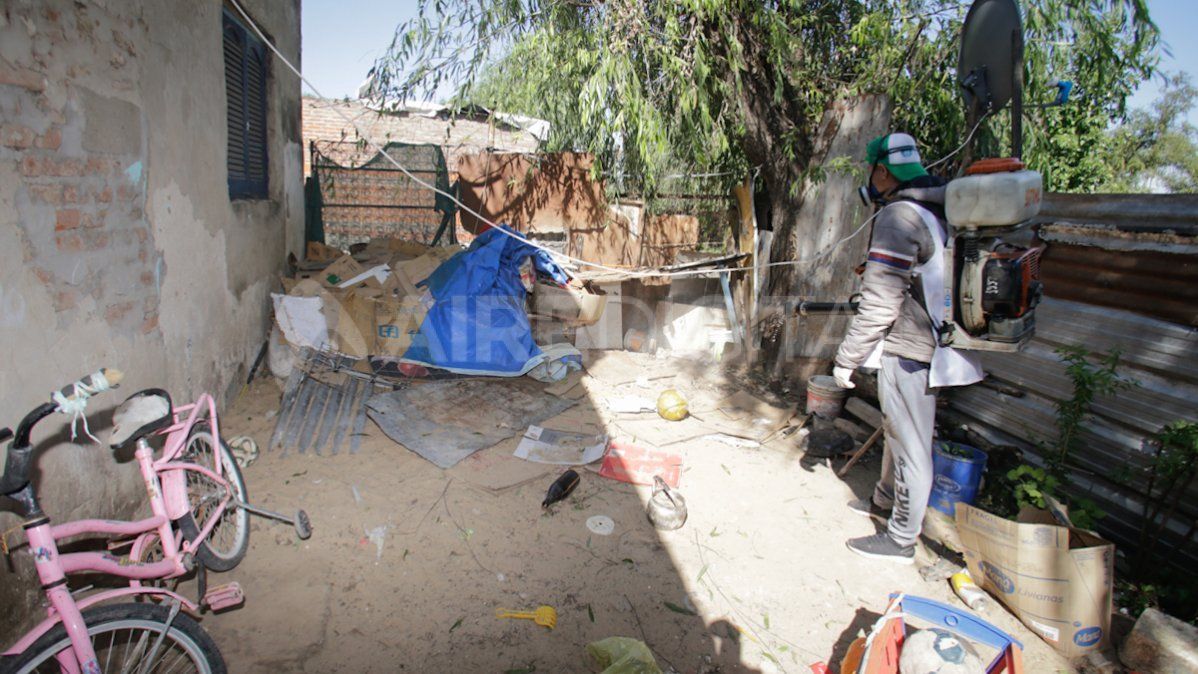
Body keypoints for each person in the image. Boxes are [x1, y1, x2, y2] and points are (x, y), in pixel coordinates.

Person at [832, 132, 983, 565]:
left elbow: (880, 300)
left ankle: (900, 538)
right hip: (925, 341)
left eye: (872, 171)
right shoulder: (935, 211)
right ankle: (882, 500)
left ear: (881, 171)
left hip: (913, 347)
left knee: (912, 444)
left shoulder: (899, 217)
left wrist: (848, 358)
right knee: (897, 431)